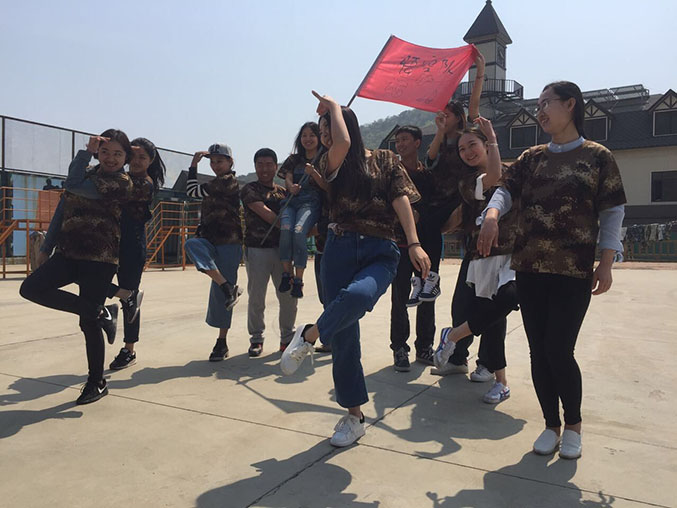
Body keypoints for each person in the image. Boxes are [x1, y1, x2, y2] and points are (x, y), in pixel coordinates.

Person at [478, 81, 626, 459]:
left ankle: (573, 426)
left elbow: (612, 211)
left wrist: (606, 261)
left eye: (547, 103)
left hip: (572, 271)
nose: (541, 111)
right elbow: (504, 190)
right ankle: (550, 425)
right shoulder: (532, 157)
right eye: (538, 104)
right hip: (530, 268)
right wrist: (492, 215)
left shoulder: (598, 157)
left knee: (559, 350)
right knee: (538, 352)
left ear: (570, 104)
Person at [280, 91, 431, 447]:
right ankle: (354, 416)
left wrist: (413, 242)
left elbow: (400, 198)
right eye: (322, 131)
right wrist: (333, 108)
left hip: (381, 248)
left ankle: (310, 335)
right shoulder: (330, 162)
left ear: (347, 125)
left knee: (360, 296)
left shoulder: (386, 159)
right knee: (346, 338)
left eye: (328, 129)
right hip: (339, 248)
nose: (325, 136)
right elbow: (344, 144)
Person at [20, 130, 133, 404]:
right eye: (104, 152)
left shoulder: (121, 183)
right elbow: (62, 210)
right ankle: (101, 311)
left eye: (117, 154)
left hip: (100, 258)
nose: (110, 158)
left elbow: (72, 184)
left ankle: (96, 382)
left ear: (125, 158)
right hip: (68, 253)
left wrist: (85, 153)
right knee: (31, 288)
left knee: (87, 323)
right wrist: (46, 248)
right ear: (98, 153)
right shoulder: (87, 175)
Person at [431, 120, 518, 404]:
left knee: (495, 314)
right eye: (462, 149)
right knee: (470, 310)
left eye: (473, 145)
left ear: (486, 145)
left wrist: (492, 137)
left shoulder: (513, 172)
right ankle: (462, 357)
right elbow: (492, 180)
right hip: (480, 255)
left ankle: (489, 368)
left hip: (510, 255)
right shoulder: (468, 182)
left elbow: (499, 178)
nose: (467, 152)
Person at [418, 51, 486, 372]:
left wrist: (480, 70)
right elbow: (429, 160)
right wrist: (440, 131)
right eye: (440, 114)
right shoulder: (445, 139)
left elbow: (475, 106)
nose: (443, 117)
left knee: (482, 299)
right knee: (426, 224)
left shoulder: (468, 137)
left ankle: (482, 361)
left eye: (447, 113)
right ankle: (429, 275)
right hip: (438, 200)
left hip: (461, 200)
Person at [107, 138, 166, 370]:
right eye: (133, 155)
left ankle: (129, 350)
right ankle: (116, 303)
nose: (137, 161)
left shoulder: (144, 184)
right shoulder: (120, 176)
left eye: (143, 157)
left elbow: (118, 189)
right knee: (90, 280)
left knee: (129, 302)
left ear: (150, 161)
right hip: (108, 243)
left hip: (131, 246)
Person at [184, 143, 243, 361]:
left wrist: (193, 165)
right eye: (213, 161)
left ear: (230, 162)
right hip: (210, 239)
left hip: (229, 241)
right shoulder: (215, 183)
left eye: (220, 161)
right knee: (192, 244)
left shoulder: (227, 181)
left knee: (220, 297)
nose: (216, 165)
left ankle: (221, 341)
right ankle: (227, 286)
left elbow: (192, 191)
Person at [240, 148, 298, 356]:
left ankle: (287, 338)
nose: (264, 169)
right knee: (257, 297)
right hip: (257, 249)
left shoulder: (284, 192)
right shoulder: (249, 189)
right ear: (255, 167)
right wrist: (293, 227)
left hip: (283, 252)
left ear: (276, 167)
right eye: (260, 165)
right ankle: (256, 339)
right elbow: (267, 214)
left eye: (269, 164)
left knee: (288, 296)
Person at [388, 125, 436, 371]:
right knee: (400, 297)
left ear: (418, 143)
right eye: (398, 141)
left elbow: (435, 207)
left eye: (405, 139)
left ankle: (425, 346)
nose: (400, 144)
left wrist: (421, 215)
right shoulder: (391, 174)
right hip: (399, 244)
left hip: (426, 245)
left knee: (428, 296)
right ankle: (399, 347)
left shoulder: (428, 176)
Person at [277, 122, 327, 298]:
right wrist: (291, 186)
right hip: (291, 202)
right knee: (285, 229)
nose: (308, 139)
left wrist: (313, 173)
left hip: (310, 203)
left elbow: (326, 186)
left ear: (319, 137)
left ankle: (298, 279)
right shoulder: (294, 159)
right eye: (304, 135)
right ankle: (286, 273)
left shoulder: (324, 158)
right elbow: (287, 177)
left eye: (312, 135)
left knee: (299, 231)